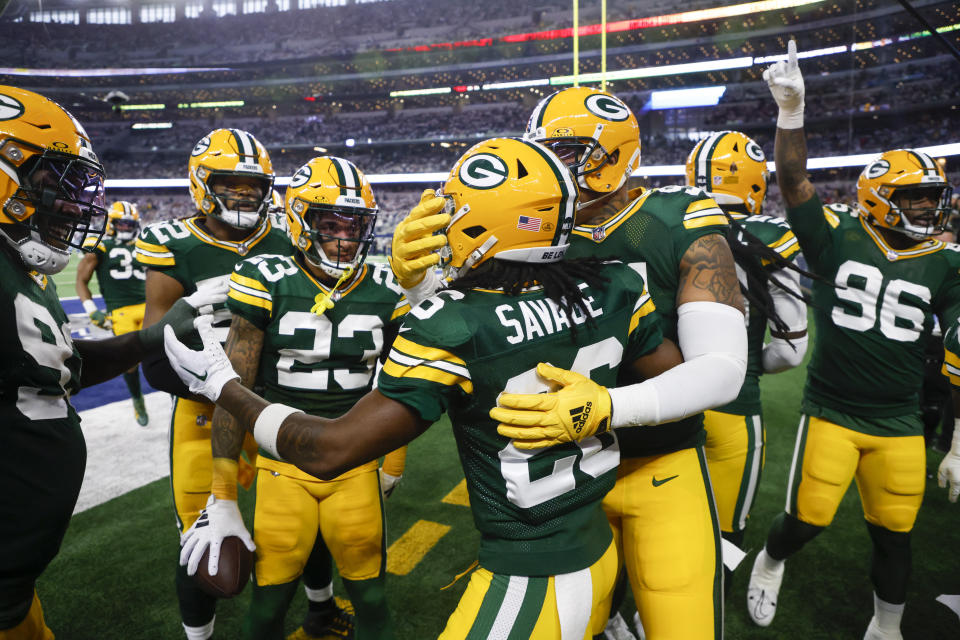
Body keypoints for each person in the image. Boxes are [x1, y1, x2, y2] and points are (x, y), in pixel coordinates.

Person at [163, 136, 695, 639]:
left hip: (533, 570)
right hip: (598, 544)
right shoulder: (615, 284)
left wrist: (222, 385)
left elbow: (331, 450)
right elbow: (679, 389)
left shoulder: (450, 321)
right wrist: (610, 406)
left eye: (451, 216)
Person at [483, 87, 746, 640]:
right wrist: (419, 284)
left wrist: (607, 405)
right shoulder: (531, 226)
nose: (552, 167)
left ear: (615, 153)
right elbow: (471, 330)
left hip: (662, 458)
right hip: (564, 472)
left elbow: (723, 367)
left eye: (569, 152)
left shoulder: (676, 219)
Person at [747, 40, 960, 640]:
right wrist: (792, 114)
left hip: (899, 422)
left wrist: (958, 438)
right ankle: (770, 562)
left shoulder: (946, 263)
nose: (927, 206)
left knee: (895, 533)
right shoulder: (835, 234)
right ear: (877, 198)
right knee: (805, 521)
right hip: (833, 412)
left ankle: (886, 627)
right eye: (914, 196)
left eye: (931, 196)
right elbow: (792, 182)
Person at [0, 85, 217, 640]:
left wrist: (154, 337)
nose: (75, 205)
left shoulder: (20, 267)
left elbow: (64, 368)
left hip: (17, 589)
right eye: (57, 183)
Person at [134, 129, 344, 640]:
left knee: (309, 516)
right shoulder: (172, 243)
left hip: (278, 403)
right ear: (202, 182)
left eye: (254, 185)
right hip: (204, 408)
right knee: (204, 536)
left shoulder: (288, 238)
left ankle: (321, 608)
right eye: (232, 182)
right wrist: (190, 312)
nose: (246, 195)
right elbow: (153, 347)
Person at [194, 156, 406, 639]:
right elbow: (234, 385)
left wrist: (393, 457)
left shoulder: (385, 287)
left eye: (355, 226)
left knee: (372, 596)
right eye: (330, 224)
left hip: (355, 460)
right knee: (269, 602)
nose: (344, 238)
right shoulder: (267, 277)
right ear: (300, 221)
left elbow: (401, 382)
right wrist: (223, 492)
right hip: (281, 464)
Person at [684, 131, 809, 594]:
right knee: (725, 529)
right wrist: (740, 362)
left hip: (664, 396)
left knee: (647, 516)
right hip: (736, 404)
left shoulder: (665, 219)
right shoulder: (771, 237)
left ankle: (623, 613)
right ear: (757, 183)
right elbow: (791, 349)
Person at [75, 200, 151, 425]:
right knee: (129, 361)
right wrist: (91, 310)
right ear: (111, 224)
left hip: (148, 306)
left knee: (168, 353)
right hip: (121, 310)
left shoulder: (143, 244)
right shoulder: (101, 245)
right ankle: (138, 400)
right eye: (122, 224)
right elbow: (81, 280)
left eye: (130, 224)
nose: (126, 228)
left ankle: (175, 396)